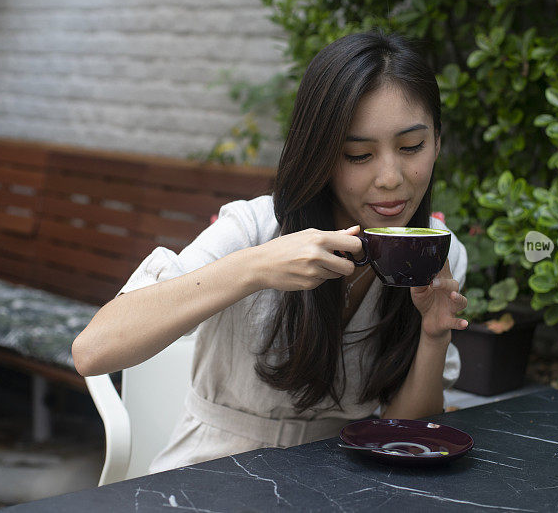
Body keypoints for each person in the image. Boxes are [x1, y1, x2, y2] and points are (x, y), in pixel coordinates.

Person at [72, 31, 469, 473]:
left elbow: (403, 432)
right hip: (215, 472)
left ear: (436, 141)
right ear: (320, 154)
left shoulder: (438, 254)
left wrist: (434, 335)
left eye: (411, 147)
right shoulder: (254, 228)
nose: (391, 177)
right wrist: (256, 266)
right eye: (358, 154)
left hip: (344, 477)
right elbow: (93, 351)